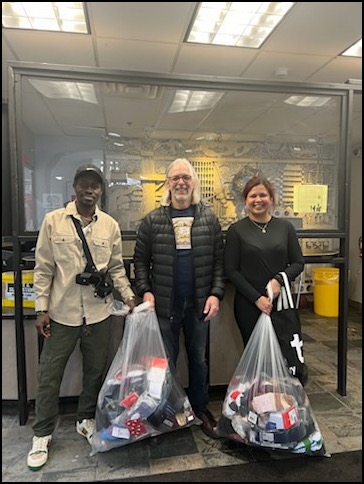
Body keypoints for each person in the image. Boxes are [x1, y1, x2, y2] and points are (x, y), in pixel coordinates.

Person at [27, 164, 136, 471]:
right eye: (84, 184)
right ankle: (42, 433)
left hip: (99, 313)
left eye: (95, 185)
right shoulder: (53, 221)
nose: (90, 189)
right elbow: (44, 268)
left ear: (101, 190)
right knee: (49, 375)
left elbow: (116, 268)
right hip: (61, 314)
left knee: (95, 370)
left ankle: (85, 419)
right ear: (74, 188)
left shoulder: (110, 226)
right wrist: (41, 308)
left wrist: (128, 296)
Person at [133, 158, 225, 439]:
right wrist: (146, 291)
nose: (181, 182)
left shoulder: (209, 219)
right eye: (175, 178)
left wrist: (215, 294)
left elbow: (219, 264)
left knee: (199, 360)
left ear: (194, 182)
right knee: (165, 361)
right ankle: (171, 409)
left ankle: (200, 408)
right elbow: (139, 262)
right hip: (164, 305)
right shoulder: (152, 220)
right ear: (168, 183)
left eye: (186, 177)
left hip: (199, 305)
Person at [224, 175, 304, 346]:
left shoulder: (285, 228)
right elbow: (231, 270)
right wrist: (257, 299)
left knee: (283, 352)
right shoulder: (236, 230)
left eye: (263, 195)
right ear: (245, 201)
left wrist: (278, 280)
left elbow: (298, 263)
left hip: (280, 301)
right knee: (255, 354)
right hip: (248, 303)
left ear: (271, 199)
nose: (258, 200)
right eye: (253, 196)